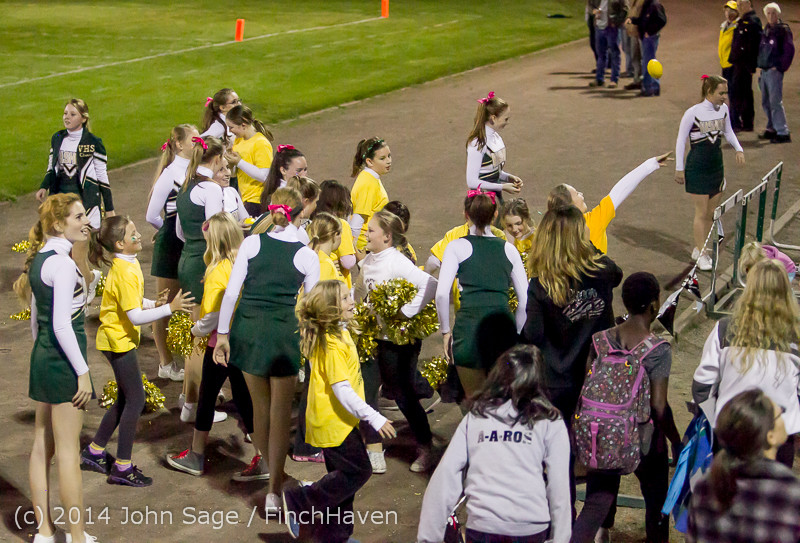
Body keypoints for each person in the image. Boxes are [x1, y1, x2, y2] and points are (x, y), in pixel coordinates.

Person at [214, 187, 320, 513]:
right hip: (282, 335)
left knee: (260, 410)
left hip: (248, 330)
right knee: (280, 415)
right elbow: (310, 308)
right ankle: (274, 490)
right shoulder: (307, 255)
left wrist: (222, 335)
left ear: (272, 211)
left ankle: (272, 472)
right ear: (299, 213)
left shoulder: (251, 243)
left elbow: (231, 293)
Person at [521, 205, 623, 512]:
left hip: (557, 381)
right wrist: (588, 248)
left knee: (560, 453)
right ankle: (601, 522)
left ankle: (565, 516)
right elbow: (617, 274)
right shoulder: (601, 272)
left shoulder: (541, 284)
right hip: (598, 377)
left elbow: (533, 334)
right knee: (602, 448)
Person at [80, 216, 194, 487]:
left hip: (117, 340)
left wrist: (153, 303)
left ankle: (95, 451)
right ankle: (122, 466)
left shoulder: (126, 264)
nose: (139, 235)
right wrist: (168, 308)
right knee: (136, 400)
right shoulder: (125, 270)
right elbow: (134, 316)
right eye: (132, 233)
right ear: (120, 244)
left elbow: (131, 301)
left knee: (125, 398)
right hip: (117, 342)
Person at [417, 345, 571, 543]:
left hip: (483, 525)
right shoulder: (549, 420)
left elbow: (446, 474)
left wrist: (428, 537)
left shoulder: (477, 416)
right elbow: (559, 485)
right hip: (530, 526)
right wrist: (561, 538)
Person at [572, 272, 682, 543]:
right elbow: (659, 407)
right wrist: (675, 439)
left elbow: (587, 388)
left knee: (597, 497)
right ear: (654, 305)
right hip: (641, 440)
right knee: (656, 498)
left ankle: (599, 532)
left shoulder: (600, 340)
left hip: (601, 434)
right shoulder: (658, 350)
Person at [284, 280, 396, 542]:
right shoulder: (332, 344)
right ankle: (301, 499)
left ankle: (336, 535)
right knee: (359, 471)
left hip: (341, 422)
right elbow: (341, 390)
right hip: (333, 423)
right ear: (330, 308)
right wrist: (374, 417)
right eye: (345, 298)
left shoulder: (339, 333)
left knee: (342, 483)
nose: (352, 301)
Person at [14, 194, 96, 543]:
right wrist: (82, 372)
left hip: (45, 357)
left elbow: (37, 320)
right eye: (78, 217)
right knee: (66, 453)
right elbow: (63, 324)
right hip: (64, 363)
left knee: (41, 445)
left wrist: (43, 352)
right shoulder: (61, 264)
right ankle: (77, 537)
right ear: (58, 224)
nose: (85, 221)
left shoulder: (41, 259)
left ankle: (45, 533)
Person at [166, 213, 265, 481]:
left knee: (207, 397)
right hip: (243, 340)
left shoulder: (217, 270)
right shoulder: (245, 263)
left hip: (219, 345)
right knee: (244, 399)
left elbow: (211, 316)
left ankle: (196, 456)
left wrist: (194, 330)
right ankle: (264, 457)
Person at [692, 259, 800, 468]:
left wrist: (716, 423)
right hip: (778, 440)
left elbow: (702, 386)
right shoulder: (797, 336)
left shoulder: (724, 329)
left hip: (732, 435)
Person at [360, 210, 438, 473]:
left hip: (398, 343)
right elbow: (361, 292)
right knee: (368, 393)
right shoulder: (368, 261)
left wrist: (406, 312)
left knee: (404, 396)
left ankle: (426, 447)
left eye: (371, 230)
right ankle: (374, 448)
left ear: (387, 236)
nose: (366, 233)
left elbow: (430, 284)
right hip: (372, 339)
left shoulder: (396, 261)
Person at [436, 191, 528, 398]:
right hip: (503, 332)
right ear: (495, 215)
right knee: (503, 401)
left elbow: (441, 294)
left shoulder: (455, 246)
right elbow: (524, 301)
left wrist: (445, 332)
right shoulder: (509, 249)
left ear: (466, 214)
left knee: (475, 403)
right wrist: (516, 334)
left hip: (468, 333)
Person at [687, 389, 800, 542]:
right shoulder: (789, 491)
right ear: (770, 436)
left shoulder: (705, 486)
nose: (784, 418)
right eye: (780, 415)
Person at [35, 98, 112, 298]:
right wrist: (44, 186)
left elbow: (102, 178)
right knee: (57, 253)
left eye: (72, 114)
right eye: (65, 113)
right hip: (60, 205)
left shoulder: (93, 143)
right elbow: (52, 168)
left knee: (77, 256)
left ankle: (84, 292)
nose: (66, 117)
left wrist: (109, 208)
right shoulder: (57, 138)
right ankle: (78, 286)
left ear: (83, 118)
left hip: (84, 206)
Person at [176, 136, 228, 423]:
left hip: (188, 258)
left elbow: (180, 231)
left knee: (194, 335)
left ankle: (188, 402)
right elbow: (213, 230)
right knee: (199, 339)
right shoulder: (211, 188)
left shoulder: (186, 185)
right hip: (203, 263)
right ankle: (194, 407)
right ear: (217, 159)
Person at [145, 124, 199, 382]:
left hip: (190, 240)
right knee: (165, 304)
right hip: (171, 244)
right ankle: (165, 363)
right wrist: (166, 230)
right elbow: (151, 215)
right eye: (193, 139)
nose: (198, 142)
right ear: (178, 144)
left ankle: (192, 361)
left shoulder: (196, 169)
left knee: (192, 301)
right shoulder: (170, 173)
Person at [675, 75, 745, 271]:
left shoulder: (723, 110)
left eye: (726, 93)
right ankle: (702, 253)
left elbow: (728, 131)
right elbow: (681, 140)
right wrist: (679, 168)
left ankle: (699, 248)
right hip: (697, 168)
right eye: (721, 93)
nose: (725, 97)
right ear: (709, 92)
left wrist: (738, 149)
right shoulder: (692, 113)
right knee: (701, 212)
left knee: (711, 213)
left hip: (716, 166)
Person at [547, 152, 671, 254]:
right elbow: (620, 190)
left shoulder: (549, 233)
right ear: (570, 205)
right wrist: (650, 165)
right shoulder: (593, 222)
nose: (581, 194)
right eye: (577, 194)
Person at [465, 93, 523, 207]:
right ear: (493, 118)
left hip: (495, 197)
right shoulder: (477, 143)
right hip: (481, 203)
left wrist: (508, 178)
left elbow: (489, 172)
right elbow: (471, 181)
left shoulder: (496, 137)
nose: (507, 122)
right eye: (505, 119)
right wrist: (502, 186)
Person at [224, 105, 274, 217]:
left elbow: (265, 176)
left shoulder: (261, 143)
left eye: (231, 127)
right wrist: (231, 164)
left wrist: (239, 162)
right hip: (246, 199)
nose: (229, 131)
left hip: (258, 200)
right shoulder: (238, 141)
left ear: (243, 125)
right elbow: (234, 174)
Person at [757, 2, 794, 143]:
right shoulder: (766, 30)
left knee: (775, 102)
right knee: (766, 101)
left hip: (774, 72)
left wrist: (779, 67)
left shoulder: (783, 30)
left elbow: (789, 50)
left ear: (778, 14)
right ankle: (771, 128)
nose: (771, 16)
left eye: (773, 13)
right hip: (765, 71)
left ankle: (782, 132)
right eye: (768, 13)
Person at [313, 180, 358, 287]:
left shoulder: (314, 223)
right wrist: (353, 246)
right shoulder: (341, 225)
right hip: (336, 281)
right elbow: (348, 262)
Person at [350, 137, 391, 251]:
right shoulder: (368, 182)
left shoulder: (371, 178)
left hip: (371, 243)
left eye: (389, 156)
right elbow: (357, 219)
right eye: (382, 158)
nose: (388, 161)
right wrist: (353, 250)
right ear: (369, 161)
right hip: (365, 246)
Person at [728, 0, 762, 131]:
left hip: (744, 64)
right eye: (738, 4)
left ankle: (740, 122)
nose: (739, 7)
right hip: (739, 63)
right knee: (742, 92)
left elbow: (754, 45)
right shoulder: (743, 21)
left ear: (748, 4)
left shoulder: (753, 22)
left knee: (740, 92)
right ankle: (745, 122)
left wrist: (751, 65)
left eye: (741, 4)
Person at [588, 0, 627, 88]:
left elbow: (625, 9)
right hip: (599, 26)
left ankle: (614, 79)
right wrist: (594, 11)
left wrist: (616, 22)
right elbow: (590, 5)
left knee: (614, 53)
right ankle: (599, 79)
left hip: (612, 27)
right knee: (600, 54)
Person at [631, 0, 665, 96]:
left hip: (650, 38)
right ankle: (655, 87)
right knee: (650, 63)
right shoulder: (648, 4)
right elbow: (643, 20)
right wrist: (633, 20)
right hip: (647, 38)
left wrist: (650, 32)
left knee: (647, 64)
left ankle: (648, 88)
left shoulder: (654, 5)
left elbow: (662, 20)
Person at [501, 198, 535, 264]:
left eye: (518, 223)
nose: (514, 229)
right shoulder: (504, 238)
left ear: (527, 218)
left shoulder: (537, 238)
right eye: (509, 225)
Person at [623, 0, 645, 90]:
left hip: (641, 33)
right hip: (633, 32)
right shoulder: (634, 1)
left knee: (644, 59)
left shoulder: (644, 2)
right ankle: (637, 80)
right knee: (635, 58)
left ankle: (647, 82)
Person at [720, 1, 739, 84]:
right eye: (727, 11)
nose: (728, 13)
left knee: (732, 88)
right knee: (726, 87)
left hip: (732, 64)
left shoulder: (738, 26)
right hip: (724, 62)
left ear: (736, 13)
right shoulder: (723, 26)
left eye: (731, 11)